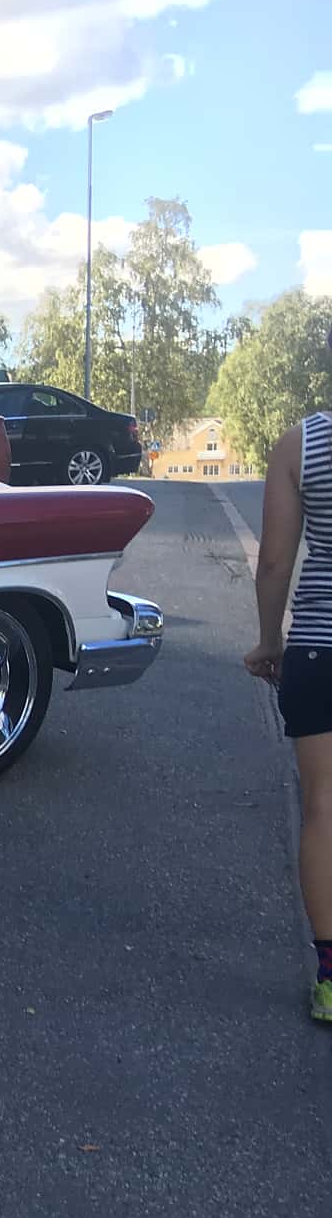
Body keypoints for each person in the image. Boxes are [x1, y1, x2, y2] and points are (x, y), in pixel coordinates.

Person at [245, 397, 332, 1022]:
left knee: (324, 808)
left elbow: (275, 561)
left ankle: (331, 978)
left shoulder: (301, 445)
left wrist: (269, 638)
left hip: (319, 650)